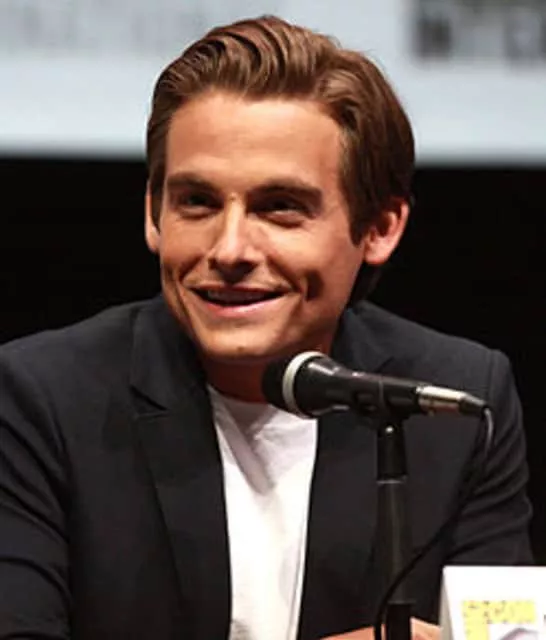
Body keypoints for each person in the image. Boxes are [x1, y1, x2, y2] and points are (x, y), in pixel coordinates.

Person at [0, 14, 532, 640]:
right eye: (197, 202)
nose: (229, 249)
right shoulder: (39, 398)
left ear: (380, 227)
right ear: (152, 212)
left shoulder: (456, 401)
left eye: (280, 208)